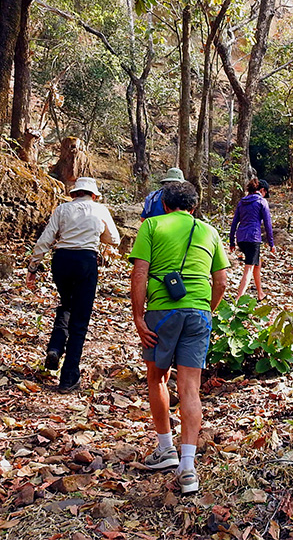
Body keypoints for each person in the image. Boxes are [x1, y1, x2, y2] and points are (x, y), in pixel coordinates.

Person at [130, 181, 229, 495]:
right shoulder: (209, 231)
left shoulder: (152, 226)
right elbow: (222, 281)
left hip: (162, 312)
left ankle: (165, 449)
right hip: (199, 312)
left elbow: (140, 272)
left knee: (157, 378)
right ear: (194, 206)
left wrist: (137, 315)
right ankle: (188, 468)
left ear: (165, 204)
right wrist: (207, 309)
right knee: (190, 387)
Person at [26, 177, 120, 393]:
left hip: (61, 261)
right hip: (86, 262)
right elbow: (113, 239)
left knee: (66, 304)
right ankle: (69, 377)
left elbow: (46, 238)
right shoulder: (100, 210)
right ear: (93, 195)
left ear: (74, 193)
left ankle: (56, 347)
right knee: (80, 320)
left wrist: (33, 267)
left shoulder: (62, 209)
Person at [229, 178, 275, 301]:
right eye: (266, 193)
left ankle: (260, 293)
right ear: (262, 190)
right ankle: (238, 299)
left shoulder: (242, 202)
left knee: (257, 263)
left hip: (241, 237)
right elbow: (267, 224)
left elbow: (234, 222)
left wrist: (232, 241)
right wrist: (271, 243)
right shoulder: (261, 202)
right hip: (253, 238)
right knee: (248, 268)